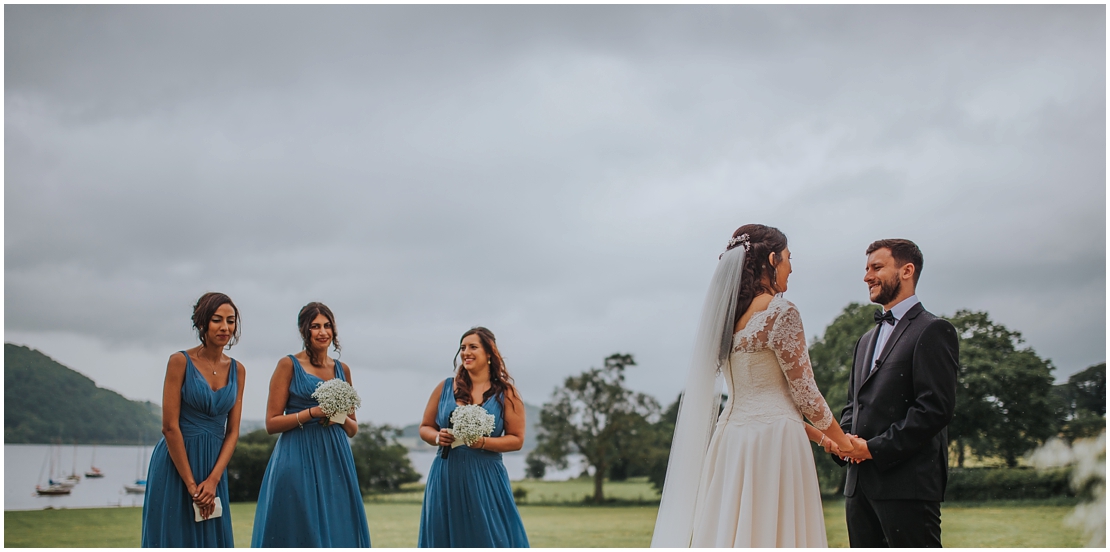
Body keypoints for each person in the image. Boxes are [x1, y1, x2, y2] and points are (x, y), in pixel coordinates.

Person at [651, 225, 856, 547]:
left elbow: (769, 401)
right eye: (788, 258)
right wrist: (845, 443)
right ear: (772, 259)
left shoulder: (726, 319)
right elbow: (804, 394)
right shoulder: (780, 312)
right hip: (774, 443)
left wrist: (824, 439)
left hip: (732, 438)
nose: (791, 267)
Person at [825, 239, 959, 547]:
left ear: (907, 270)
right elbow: (853, 406)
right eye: (866, 269)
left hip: (907, 487)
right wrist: (843, 441)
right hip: (858, 490)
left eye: (877, 267)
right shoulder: (864, 341)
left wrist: (872, 448)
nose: (867, 276)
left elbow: (935, 409)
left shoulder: (933, 330)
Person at [251, 302, 370, 548]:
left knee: (339, 525)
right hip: (297, 453)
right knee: (299, 525)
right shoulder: (288, 365)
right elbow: (272, 423)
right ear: (304, 331)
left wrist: (339, 416)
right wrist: (312, 413)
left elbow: (352, 428)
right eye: (315, 326)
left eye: (327, 326)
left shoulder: (341, 369)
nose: (323, 332)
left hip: (336, 457)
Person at [141, 292, 246, 547]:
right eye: (216, 320)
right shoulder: (180, 362)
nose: (225, 327)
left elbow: (232, 432)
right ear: (201, 324)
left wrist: (213, 481)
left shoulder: (238, 370)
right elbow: (169, 426)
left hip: (214, 467)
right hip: (176, 463)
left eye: (230, 321)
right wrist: (191, 484)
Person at [417, 327, 530, 548]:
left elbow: (517, 440)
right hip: (446, 472)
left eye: (473, 347)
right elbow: (425, 427)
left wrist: (482, 442)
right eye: (462, 347)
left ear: (489, 353)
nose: (466, 352)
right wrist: (438, 438)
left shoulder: (507, 393)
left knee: (488, 536)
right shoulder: (445, 387)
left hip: (485, 476)